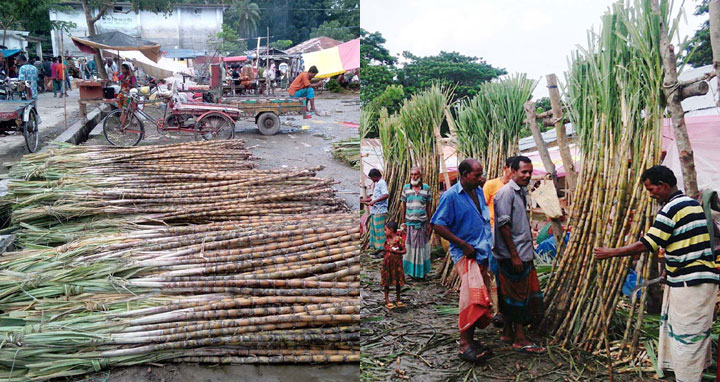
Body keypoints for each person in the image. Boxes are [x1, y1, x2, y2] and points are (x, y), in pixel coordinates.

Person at [594, 165, 719, 382]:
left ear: (663, 186)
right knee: (692, 334)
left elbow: (648, 243)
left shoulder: (672, 208)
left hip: (692, 283)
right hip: (694, 280)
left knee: (687, 337)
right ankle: (689, 376)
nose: (650, 195)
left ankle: (688, 379)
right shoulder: (690, 204)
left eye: (651, 189)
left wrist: (610, 252)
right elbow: (687, 244)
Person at [431, 158, 494, 363]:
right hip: (466, 254)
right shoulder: (450, 196)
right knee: (471, 298)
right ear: (464, 174)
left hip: (482, 251)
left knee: (481, 297)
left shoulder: (477, 192)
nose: (481, 178)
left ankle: (472, 340)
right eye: (477, 174)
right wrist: (463, 244)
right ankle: (464, 344)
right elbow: (437, 225)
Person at [492, 155, 545, 354]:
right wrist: (514, 255)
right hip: (513, 255)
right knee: (518, 296)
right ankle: (520, 339)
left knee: (508, 295)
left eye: (530, 172)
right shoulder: (506, 193)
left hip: (520, 252)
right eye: (523, 171)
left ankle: (507, 333)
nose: (527, 175)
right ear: (512, 171)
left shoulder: (520, 192)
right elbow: (503, 225)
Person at [482, 156, 515, 325]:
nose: (514, 173)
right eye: (513, 170)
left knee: (508, 272)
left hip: (511, 234)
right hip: (493, 233)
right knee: (494, 270)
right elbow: (482, 209)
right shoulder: (491, 185)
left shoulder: (517, 189)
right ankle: (495, 309)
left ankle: (506, 309)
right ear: (505, 168)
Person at [400, 167, 433, 279]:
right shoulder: (406, 188)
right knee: (410, 248)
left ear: (420, 176)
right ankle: (410, 273)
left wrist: (429, 223)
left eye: (416, 175)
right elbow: (403, 206)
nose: (414, 177)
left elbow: (429, 206)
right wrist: (403, 222)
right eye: (412, 174)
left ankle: (421, 273)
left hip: (422, 224)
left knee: (421, 249)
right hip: (410, 224)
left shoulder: (426, 189)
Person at [361, 168, 389, 252]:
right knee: (375, 231)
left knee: (380, 231)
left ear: (375, 176)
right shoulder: (378, 184)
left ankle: (382, 249)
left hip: (380, 212)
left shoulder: (382, 183)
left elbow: (386, 195)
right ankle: (378, 248)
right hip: (375, 212)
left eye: (372, 178)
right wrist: (364, 201)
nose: (372, 180)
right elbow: (375, 197)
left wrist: (374, 201)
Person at [382, 221, 406, 309]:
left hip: (397, 264)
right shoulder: (387, 240)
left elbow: (404, 250)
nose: (384, 232)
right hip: (387, 263)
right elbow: (385, 248)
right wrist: (389, 250)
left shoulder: (399, 239)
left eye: (386, 230)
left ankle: (398, 299)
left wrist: (397, 252)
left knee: (398, 281)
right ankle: (387, 299)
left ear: (391, 230)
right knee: (386, 281)